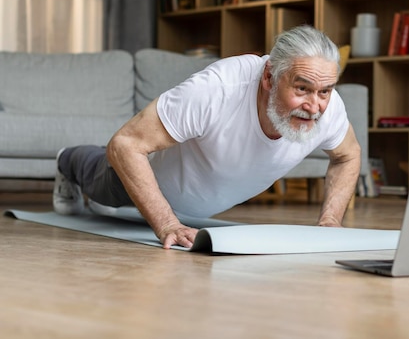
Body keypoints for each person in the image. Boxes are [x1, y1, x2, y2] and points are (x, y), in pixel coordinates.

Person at [53, 25, 361, 249]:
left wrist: (330, 222)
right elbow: (125, 144)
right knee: (99, 179)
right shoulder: (216, 90)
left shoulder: (327, 107)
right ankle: (66, 158)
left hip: (199, 204)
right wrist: (167, 223)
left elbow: (348, 155)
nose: (314, 106)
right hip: (144, 182)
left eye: (324, 91)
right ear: (269, 76)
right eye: (302, 88)